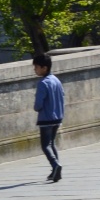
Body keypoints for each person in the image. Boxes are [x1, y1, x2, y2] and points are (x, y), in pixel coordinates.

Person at [33, 51, 65, 183]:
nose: (35, 70)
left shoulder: (43, 83)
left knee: (45, 145)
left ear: (44, 68)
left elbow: (38, 104)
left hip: (46, 117)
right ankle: (55, 172)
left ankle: (55, 165)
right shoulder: (56, 80)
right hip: (57, 116)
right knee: (52, 143)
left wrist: (36, 107)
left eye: (36, 67)